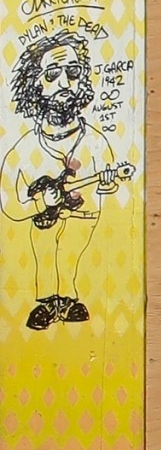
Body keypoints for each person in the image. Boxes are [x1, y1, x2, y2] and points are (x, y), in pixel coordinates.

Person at [3, 22, 123, 331]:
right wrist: (40, 202)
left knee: (69, 254)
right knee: (46, 255)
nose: (64, 83)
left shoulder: (96, 141)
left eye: (72, 72)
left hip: (83, 218)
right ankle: (47, 303)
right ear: (34, 84)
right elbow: (9, 205)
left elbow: (107, 189)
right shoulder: (23, 149)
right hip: (43, 219)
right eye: (52, 74)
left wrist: (107, 184)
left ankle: (67, 300)